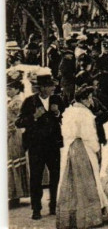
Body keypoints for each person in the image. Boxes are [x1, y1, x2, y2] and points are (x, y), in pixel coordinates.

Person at [56, 85, 107, 229]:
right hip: (84, 147)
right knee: (88, 180)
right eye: (90, 98)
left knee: (71, 180)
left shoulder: (69, 111)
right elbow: (89, 135)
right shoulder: (85, 114)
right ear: (85, 99)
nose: (91, 101)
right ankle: (88, 218)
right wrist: (96, 149)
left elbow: (66, 133)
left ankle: (71, 217)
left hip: (71, 148)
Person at [16, 73, 65, 220]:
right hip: (36, 145)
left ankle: (53, 205)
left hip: (53, 145)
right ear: (42, 88)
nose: (54, 88)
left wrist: (58, 114)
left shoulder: (57, 99)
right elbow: (19, 122)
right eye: (51, 86)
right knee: (36, 177)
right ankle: (36, 208)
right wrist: (34, 117)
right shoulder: (29, 102)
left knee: (55, 175)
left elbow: (67, 117)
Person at [7, 77, 29, 208]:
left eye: (10, 89)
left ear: (16, 89)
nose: (7, 91)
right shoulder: (13, 101)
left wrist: (10, 128)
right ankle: (14, 193)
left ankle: (15, 195)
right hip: (11, 133)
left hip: (15, 134)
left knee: (13, 161)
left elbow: (20, 119)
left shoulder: (17, 102)